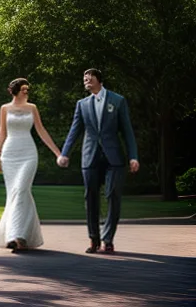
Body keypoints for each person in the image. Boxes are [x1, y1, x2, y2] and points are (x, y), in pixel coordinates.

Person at [57, 67, 139, 254]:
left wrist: (133, 156)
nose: (86, 81)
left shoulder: (118, 101)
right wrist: (65, 153)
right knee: (91, 197)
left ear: (99, 80)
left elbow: (127, 132)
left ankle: (107, 240)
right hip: (90, 156)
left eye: (89, 78)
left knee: (112, 196)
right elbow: (74, 130)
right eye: (84, 78)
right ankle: (93, 239)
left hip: (114, 158)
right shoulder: (82, 104)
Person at [0, 77, 62, 252]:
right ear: (14, 91)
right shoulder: (5, 108)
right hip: (9, 154)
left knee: (21, 190)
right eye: (23, 89)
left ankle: (15, 236)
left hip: (28, 153)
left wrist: (57, 152)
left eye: (27, 90)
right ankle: (19, 237)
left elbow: (41, 130)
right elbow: (2, 132)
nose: (26, 92)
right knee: (16, 194)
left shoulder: (32, 108)